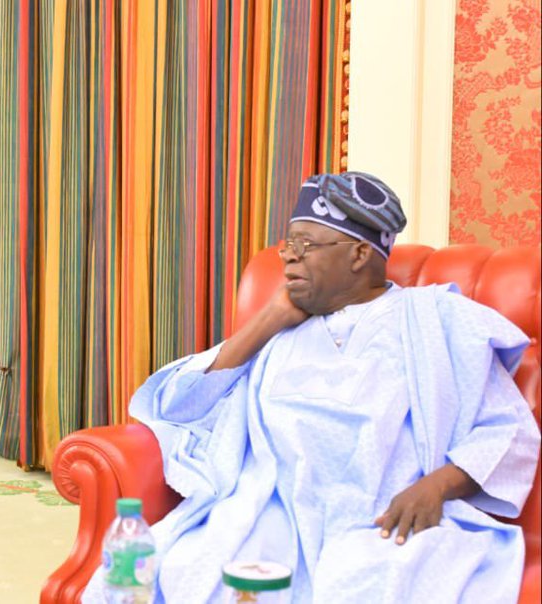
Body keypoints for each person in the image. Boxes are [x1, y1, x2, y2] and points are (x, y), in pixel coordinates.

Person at [87, 172, 539, 603]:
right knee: (189, 569)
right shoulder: (280, 327)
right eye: (288, 245)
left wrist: (437, 486)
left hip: (380, 513)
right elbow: (175, 408)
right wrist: (267, 320)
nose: (287, 257)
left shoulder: (437, 320)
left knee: (367, 584)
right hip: (271, 505)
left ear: (360, 254)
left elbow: (507, 430)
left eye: (304, 245)